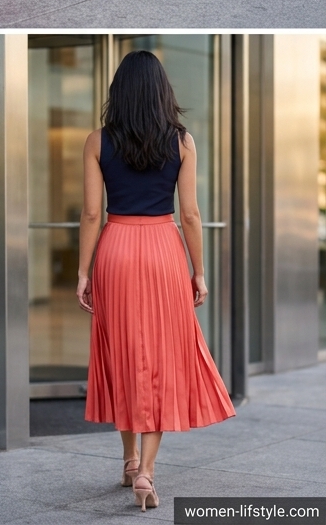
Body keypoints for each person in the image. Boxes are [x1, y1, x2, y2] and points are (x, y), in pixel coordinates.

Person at [77, 50, 234, 511]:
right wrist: (198, 271)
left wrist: (83, 271)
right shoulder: (183, 141)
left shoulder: (97, 141)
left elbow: (90, 213)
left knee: (122, 351)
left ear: (118, 94)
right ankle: (145, 469)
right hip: (164, 250)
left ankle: (127, 459)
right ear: (163, 92)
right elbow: (190, 213)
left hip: (116, 248)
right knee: (159, 357)